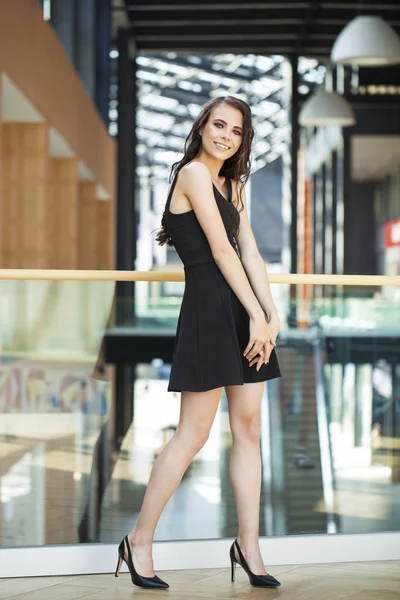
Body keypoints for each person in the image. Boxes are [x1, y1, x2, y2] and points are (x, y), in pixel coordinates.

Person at [115, 96, 282, 590]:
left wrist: (270, 318)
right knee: (193, 436)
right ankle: (139, 540)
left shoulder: (234, 184)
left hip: (246, 310)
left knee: (249, 428)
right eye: (218, 124)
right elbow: (217, 249)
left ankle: (248, 546)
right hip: (212, 311)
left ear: (242, 140)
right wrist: (255, 314)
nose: (225, 135)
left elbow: (250, 253)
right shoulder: (192, 174)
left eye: (235, 130)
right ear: (202, 126)